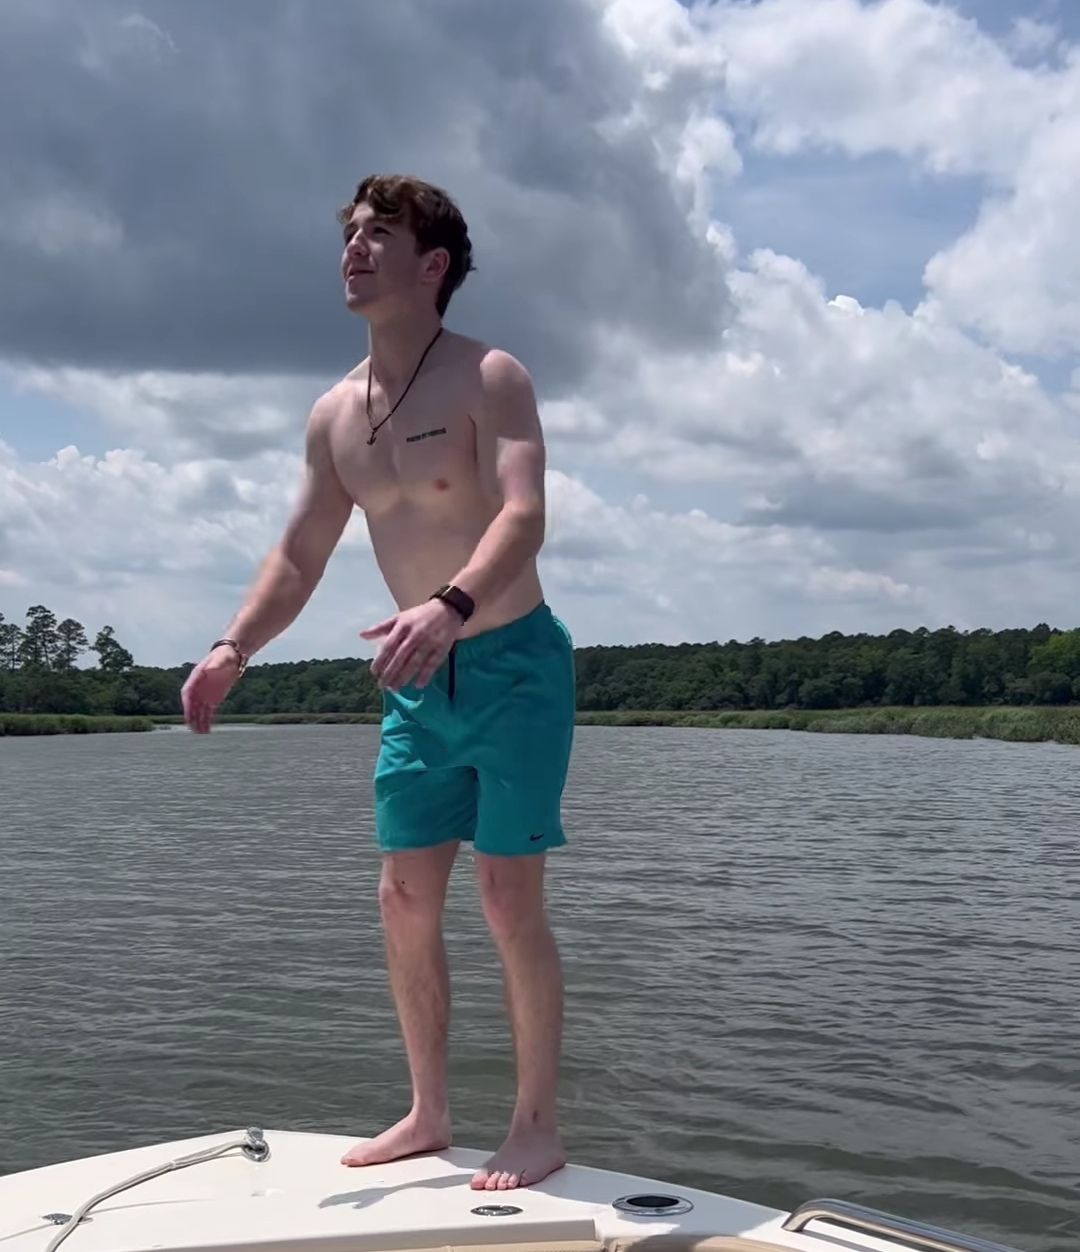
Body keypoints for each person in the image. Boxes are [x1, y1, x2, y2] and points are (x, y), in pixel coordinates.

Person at [180, 174, 575, 1192]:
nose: (354, 249)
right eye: (350, 233)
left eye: (379, 234)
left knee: (505, 896)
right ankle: (429, 1113)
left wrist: (450, 605)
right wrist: (233, 647)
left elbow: (523, 514)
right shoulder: (333, 415)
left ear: (432, 265)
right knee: (401, 896)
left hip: (513, 664)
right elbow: (300, 553)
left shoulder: (491, 376)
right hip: (416, 681)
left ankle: (535, 1126)